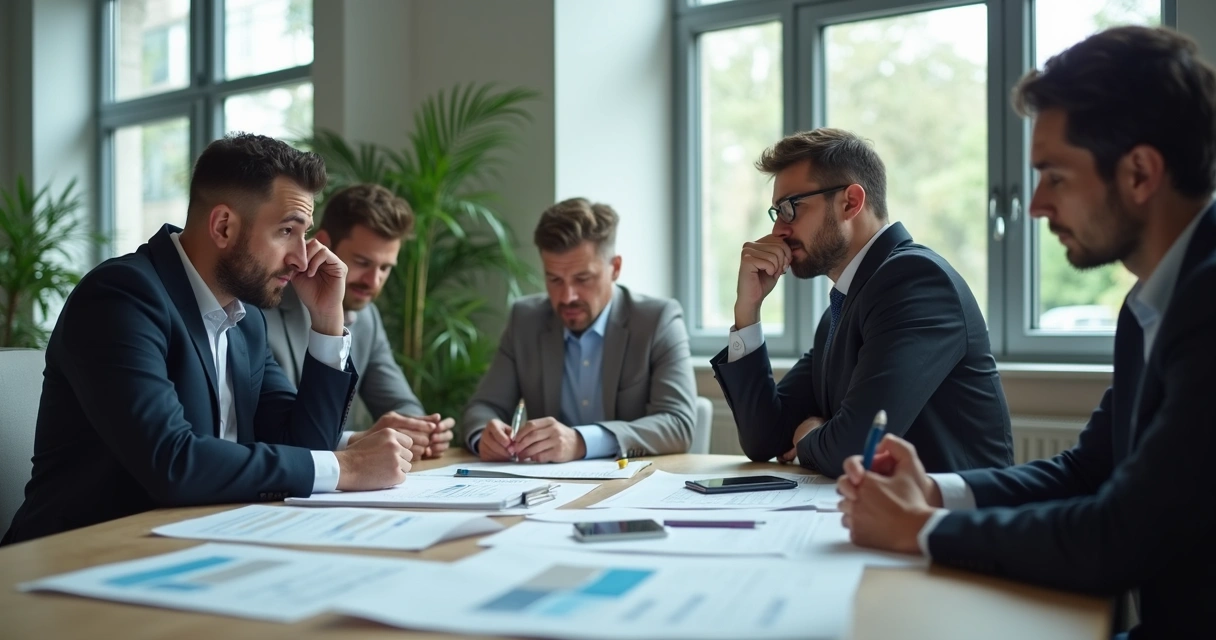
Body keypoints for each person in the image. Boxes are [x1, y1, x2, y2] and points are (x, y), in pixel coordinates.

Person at [836, 26, 1216, 639]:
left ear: (1140, 173)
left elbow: (1118, 536)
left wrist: (919, 531)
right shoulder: (1151, 304)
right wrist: (933, 492)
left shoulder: (1207, 301)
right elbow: (1088, 472)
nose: (1035, 204)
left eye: (1055, 176)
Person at [2, 134, 413, 545]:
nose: (302, 258)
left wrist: (326, 320)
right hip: (77, 559)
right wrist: (348, 468)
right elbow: (173, 462)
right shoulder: (121, 297)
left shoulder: (246, 320)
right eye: (286, 231)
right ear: (223, 226)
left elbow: (301, 445)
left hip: (198, 542)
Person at [710, 127, 1013, 477]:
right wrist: (747, 312)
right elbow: (764, 439)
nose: (779, 229)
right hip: (885, 517)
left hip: (951, 524)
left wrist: (809, 436)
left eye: (791, 208)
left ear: (851, 202)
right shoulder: (840, 311)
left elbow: (855, 448)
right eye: (776, 212)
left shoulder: (916, 281)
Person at [462, 198, 696, 462]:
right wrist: (485, 436)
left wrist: (582, 442)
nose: (567, 296)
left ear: (615, 268)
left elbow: (678, 424)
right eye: (554, 279)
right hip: (547, 491)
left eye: (582, 279)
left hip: (631, 486)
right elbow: (484, 407)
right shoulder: (525, 320)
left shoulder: (657, 320)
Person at [265, 183, 455, 460]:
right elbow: (272, 431)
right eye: (363, 262)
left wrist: (421, 430)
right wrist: (358, 439)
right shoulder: (263, 307)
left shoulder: (367, 317)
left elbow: (401, 403)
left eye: (385, 268)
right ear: (323, 245)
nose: (373, 281)